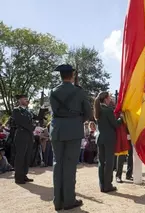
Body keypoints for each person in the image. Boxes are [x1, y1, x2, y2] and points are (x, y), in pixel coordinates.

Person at [49, 64, 92, 211]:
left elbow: (54, 111)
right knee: (69, 166)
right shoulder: (79, 92)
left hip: (57, 130)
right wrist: (77, 121)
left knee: (57, 164)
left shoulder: (53, 91)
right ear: (72, 76)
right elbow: (88, 112)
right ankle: (68, 200)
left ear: (60, 76)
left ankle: (57, 201)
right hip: (73, 130)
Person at [94, 92, 122, 193]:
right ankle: (108, 185)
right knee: (109, 162)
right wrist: (121, 119)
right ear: (105, 99)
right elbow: (115, 124)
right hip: (109, 139)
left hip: (100, 138)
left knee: (101, 162)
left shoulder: (98, 109)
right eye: (109, 97)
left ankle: (102, 185)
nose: (110, 99)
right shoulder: (108, 110)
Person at [12, 94, 35, 184]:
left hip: (29, 134)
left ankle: (24, 174)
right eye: (25, 99)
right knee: (20, 156)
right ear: (20, 100)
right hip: (21, 134)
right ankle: (18, 177)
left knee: (27, 156)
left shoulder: (28, 111)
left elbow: (34, 119)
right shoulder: (16, 110)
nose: (27, 100)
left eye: (27, 99)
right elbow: (20, 121)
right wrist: (32, 127)